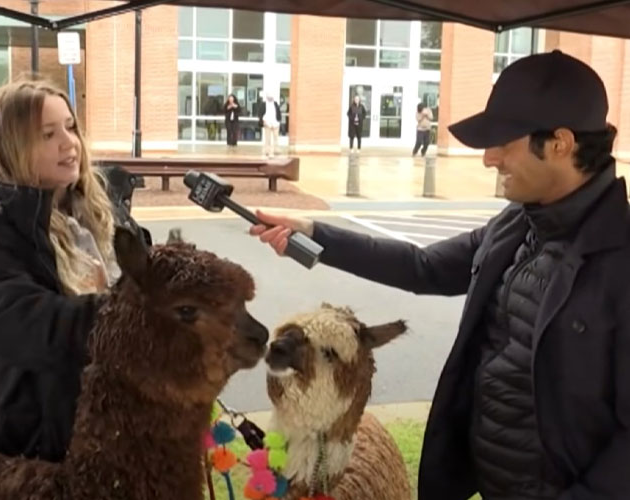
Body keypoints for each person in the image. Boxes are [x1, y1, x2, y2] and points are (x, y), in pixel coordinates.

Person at [249, 50, 630, 499]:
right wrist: (312, 233)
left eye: (504, 142)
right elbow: (423, 268)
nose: (490, 159)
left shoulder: (620, 262)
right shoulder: (516, 225)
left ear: (560, 143)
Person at [0, 79, 150, 462]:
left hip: (94, 426)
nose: (69, 143)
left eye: (70, 127)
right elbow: (23, 324)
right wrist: (135, 315)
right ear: (12, 146)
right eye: (49, 134)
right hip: (14, 439)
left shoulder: (97, 208)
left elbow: (145, 277)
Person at [258, 91, 281, 158]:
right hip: (267, 123)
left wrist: (278, 121)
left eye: (271, 97)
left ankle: (276, 150)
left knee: (276, 137)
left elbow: (278, 112)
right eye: (269, 97)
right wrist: (263, 120)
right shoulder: (263, 104)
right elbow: (260, 113)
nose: (271, 98)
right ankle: (267, 151)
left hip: (275, 123)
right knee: (268, 138)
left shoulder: (275, 104)